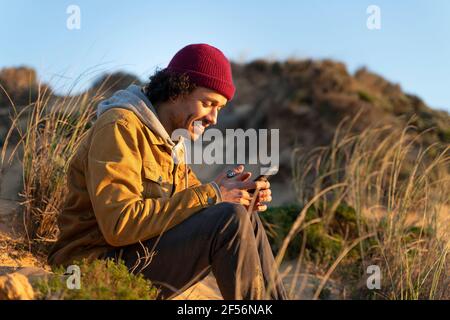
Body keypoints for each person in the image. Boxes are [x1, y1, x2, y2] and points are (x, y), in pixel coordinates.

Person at [48, 43, 288, 300]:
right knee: (228, 219)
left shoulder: (171, 143)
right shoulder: (120, 126)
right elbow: (118, 225)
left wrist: (237, 194)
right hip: (93, 268)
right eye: (208, 103)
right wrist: (214, 194)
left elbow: (191, 208)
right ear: (177, 90)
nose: (213, 118)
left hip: (136, 257)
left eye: (219, 108)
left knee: (242, 216)